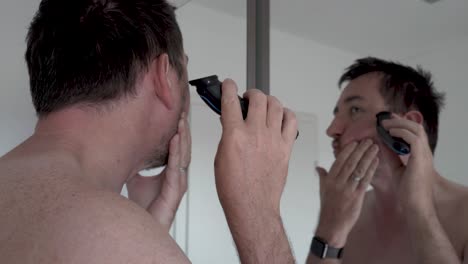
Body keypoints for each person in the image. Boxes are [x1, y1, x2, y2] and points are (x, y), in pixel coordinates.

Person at [0, 0, 298, 263]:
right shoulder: (124, 245)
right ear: (164, 76)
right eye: (185, 69)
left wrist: (150, 226)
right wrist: (257, 213)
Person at [306, 57, 468, 264]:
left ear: (406, 125)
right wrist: (328, 232)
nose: (332, 130)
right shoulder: (346, 214)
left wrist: (419, 211)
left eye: (355, 110)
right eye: (337, 114)